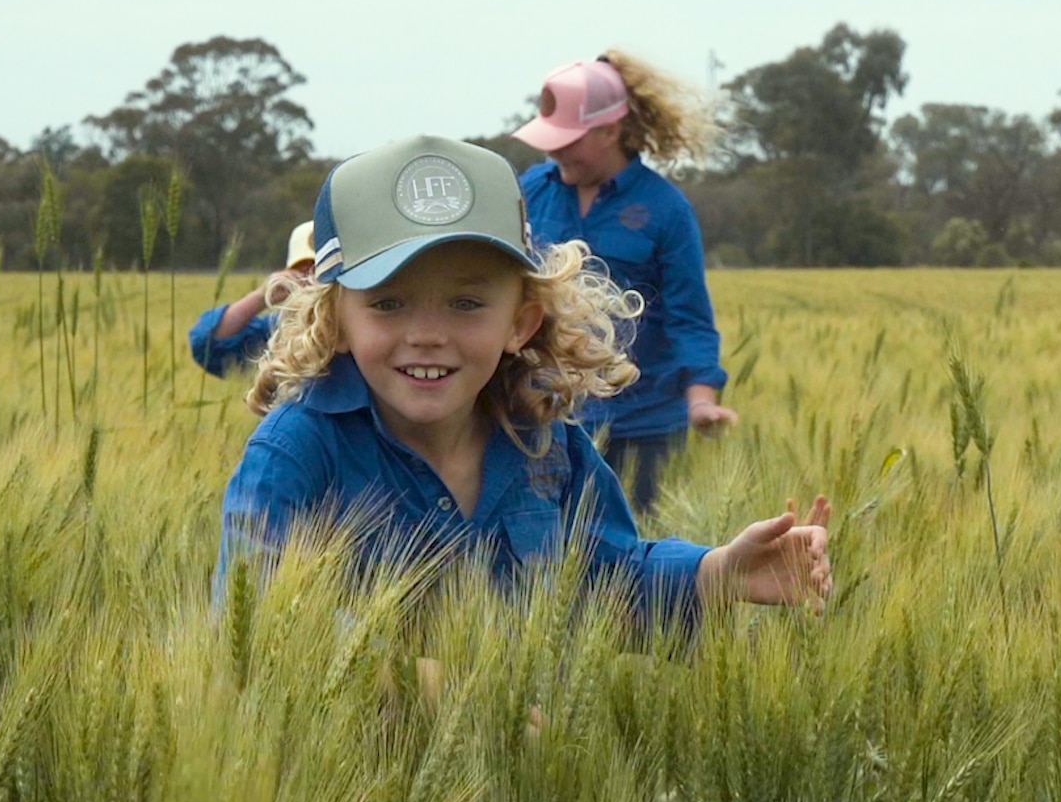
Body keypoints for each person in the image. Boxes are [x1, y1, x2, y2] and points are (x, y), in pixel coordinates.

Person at [218, 135, 829, 622]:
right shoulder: (296, 453)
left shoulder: (546, 442)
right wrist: (416, 681)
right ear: (337, 321)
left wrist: (719, 573)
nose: (428, 334)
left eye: (466, 304)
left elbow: (606, 580)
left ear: (521, 321)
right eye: (388, 304)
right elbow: (257, 621)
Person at [513, 52, 731, 514]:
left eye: (568, 140)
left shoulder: (666, 209)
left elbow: (688, 316)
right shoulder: (530, 190)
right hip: (545, 417)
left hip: (644, 427)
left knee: (637, 559)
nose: (554, 151)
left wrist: (701, 401)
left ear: (610, 130)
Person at [188, 221, 317, 376]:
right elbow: (206, 345)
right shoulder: (279, 332)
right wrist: (262, 296)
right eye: (302, 273)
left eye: (322, 272)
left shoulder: (353, 329)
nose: (312, 282)